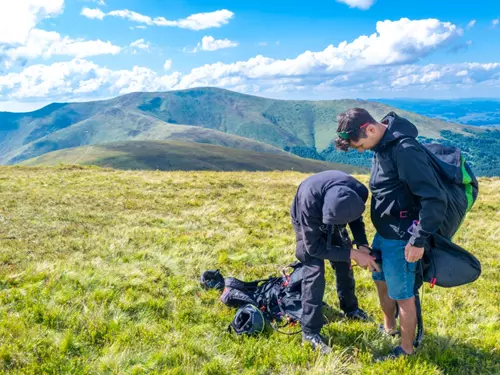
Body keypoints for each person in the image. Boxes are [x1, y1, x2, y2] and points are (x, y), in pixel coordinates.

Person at [334, 108, 454, 359]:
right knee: (380, 281)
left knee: (403, 294)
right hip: (384, 232)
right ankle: (389, 328)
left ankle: (407, 348)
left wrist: (417, 240)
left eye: (360, 144)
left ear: (371, 129)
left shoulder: (405, 150)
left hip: (402, 237)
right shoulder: (381, 145)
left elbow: (434, 198)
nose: (360, 150)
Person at [290, 170, 380, 354]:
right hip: (308, 222)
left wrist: (361, 244)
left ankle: (351, 309)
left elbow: (355, 218)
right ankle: (309, 332)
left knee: (343, 263)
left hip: (333, 216)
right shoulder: (310, 202)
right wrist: (352, 254)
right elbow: (314, 248)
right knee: (314, 271)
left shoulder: (358, 192)